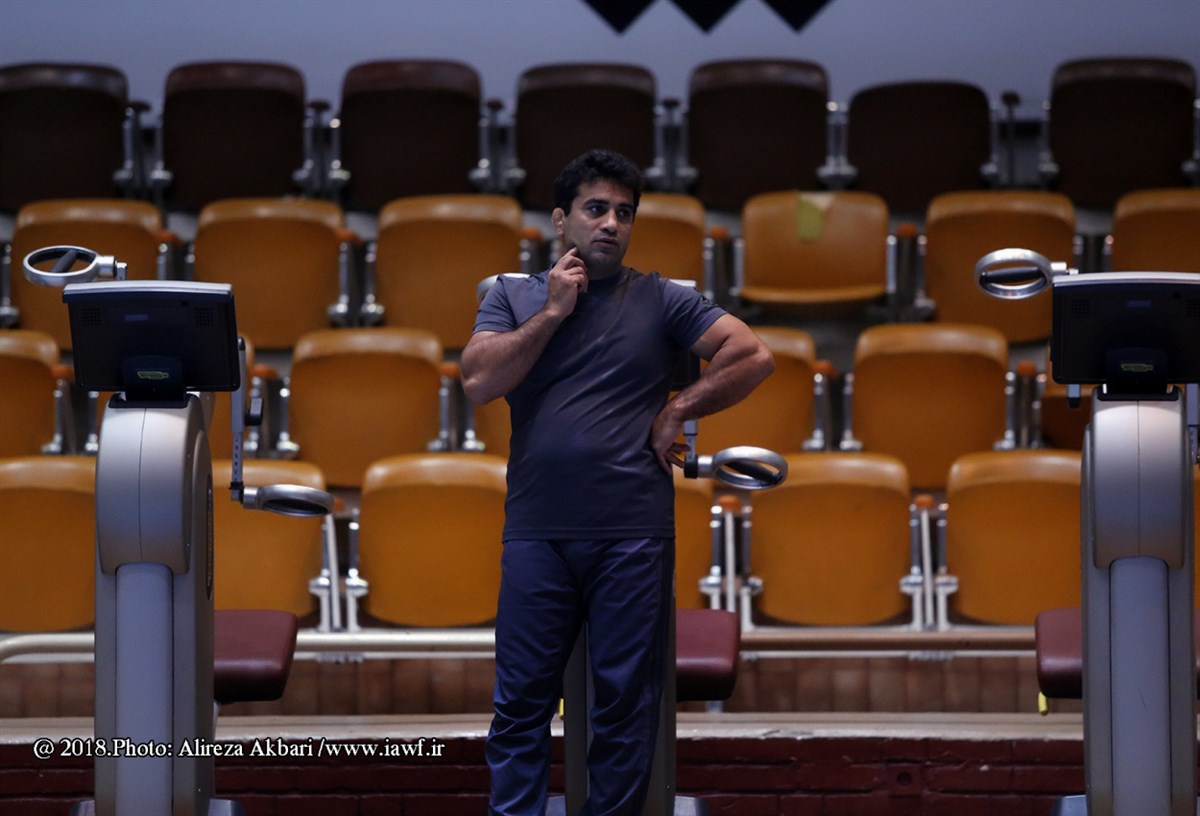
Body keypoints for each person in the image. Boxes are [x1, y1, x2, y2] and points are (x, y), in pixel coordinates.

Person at [461, 148, 773, 816]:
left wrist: (680, 409)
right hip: (538, 532)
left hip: (632, 532)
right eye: (596, 209)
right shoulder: (513, 296)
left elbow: (752, 354)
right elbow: (481, 380)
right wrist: (552, 312)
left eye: (623, 213)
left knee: (624, 706)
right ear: (560, 220)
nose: (610, 223)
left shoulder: (662, 298)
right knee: (520, 704)